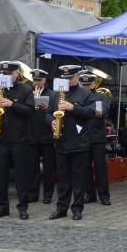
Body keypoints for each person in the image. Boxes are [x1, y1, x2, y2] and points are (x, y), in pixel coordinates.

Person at [49, 65, 96, 221]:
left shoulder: (86, 94)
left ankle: (77, 208)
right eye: (65, 79)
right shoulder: (56, 94)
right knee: (63, 178)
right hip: (61, 141)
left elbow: (90, 113)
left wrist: (72, 107)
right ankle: (61, 208)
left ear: (77, 77)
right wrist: (52, 122)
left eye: (70, 78)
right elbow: (48, 113)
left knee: (78, 178)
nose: (68, 81)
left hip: (79, 141)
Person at [0, 61, 35, 220]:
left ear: (16, 74)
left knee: (21, 175)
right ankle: (3, 206)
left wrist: (12, 104)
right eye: (4, 74)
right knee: (1, 175)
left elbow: (30, 111)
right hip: (1, 139)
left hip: (19, 139)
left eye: (9, 74)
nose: (6, 76)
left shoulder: (26, 90)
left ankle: (23, 207)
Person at [81, 70, 111, 205]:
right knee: (84, 167)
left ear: (94, 83)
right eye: (84, 84)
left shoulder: (101, 96)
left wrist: (100, 113)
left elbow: (105, 110)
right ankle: (90, 194)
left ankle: (104, 195)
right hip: (83, 135)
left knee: (100, 167)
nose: (87, 86)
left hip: (97, 136)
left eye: (89, 84)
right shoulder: (79, 96)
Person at [28, 69, 57, 205]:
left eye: (39, 80)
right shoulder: (28, 93)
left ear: (45, 80)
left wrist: (46, 109)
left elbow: (56, 112)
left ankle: (48, 194)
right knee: (32, 168)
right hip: (32, 134)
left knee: (48, 168)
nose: (37, 83)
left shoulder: (52, 94)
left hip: (47, 135)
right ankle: (33, 194)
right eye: (35, 80)